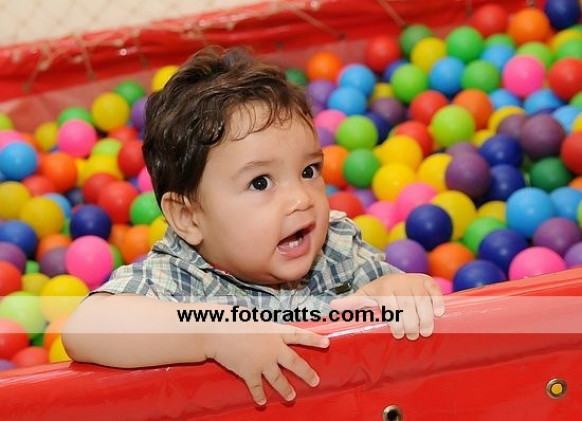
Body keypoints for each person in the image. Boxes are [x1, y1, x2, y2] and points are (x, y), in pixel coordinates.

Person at [63, 46, 445, 406]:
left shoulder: (335, 247)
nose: (301, 199)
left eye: (309, 170)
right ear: (189, 218)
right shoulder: (181, 274)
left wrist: (394, 291)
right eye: (260, 182)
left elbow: (396, 314)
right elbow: (86, 327)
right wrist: (214, 332)